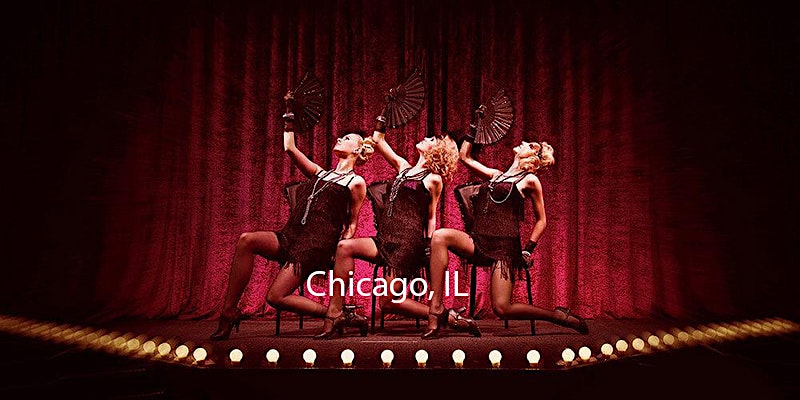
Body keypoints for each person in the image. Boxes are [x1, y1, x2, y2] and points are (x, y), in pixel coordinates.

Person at [210, 92, 373, 340]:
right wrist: (289, 114)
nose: (340, 138)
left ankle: (338, 314)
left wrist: (339, 252)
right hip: (290, 236)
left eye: (347, 138)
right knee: (247, 240)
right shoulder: (320, 173)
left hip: (314, 245)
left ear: (358, 149)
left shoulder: (356, 182)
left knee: (275, 297)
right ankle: (229, 312)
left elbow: (351, 223)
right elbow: (289, 148)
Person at [423, 109, 588, 339]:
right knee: (440, 236)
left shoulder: (530, 180)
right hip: (478, 242)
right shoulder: (496, 175)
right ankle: (436, 310)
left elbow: (542, 220)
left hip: (504, 248)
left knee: (502, 308)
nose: (522, 143)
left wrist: (528, 249)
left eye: (528, 144)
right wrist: (474, 126)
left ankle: (557, 315)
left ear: (532, 156)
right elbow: (464, 157)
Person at [314, 115, 480, 339]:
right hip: (384, 239)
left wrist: (429, 245)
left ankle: (444, 315)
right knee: (344, 247)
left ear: (436, 151)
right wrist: (381, 119)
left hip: (406, 244)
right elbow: (378, 141)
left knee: (387, 302)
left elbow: (431, 217)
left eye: (431, 139)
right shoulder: (403, 166)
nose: (426, 137)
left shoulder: (433, 179)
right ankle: (335, 313)